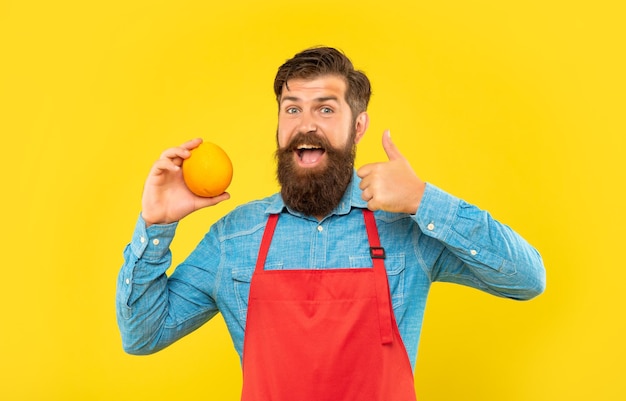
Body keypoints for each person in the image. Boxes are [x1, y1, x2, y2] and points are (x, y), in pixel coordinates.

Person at [116, 46, 546, 400]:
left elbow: (527, 279)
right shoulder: (235, 238)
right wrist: (156, 226)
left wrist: (423, 200)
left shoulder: (405, 227)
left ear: (358, 127)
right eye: (292, 109)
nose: (306, 125)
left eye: (325, 109)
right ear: (279, 125)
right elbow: (141, 335)